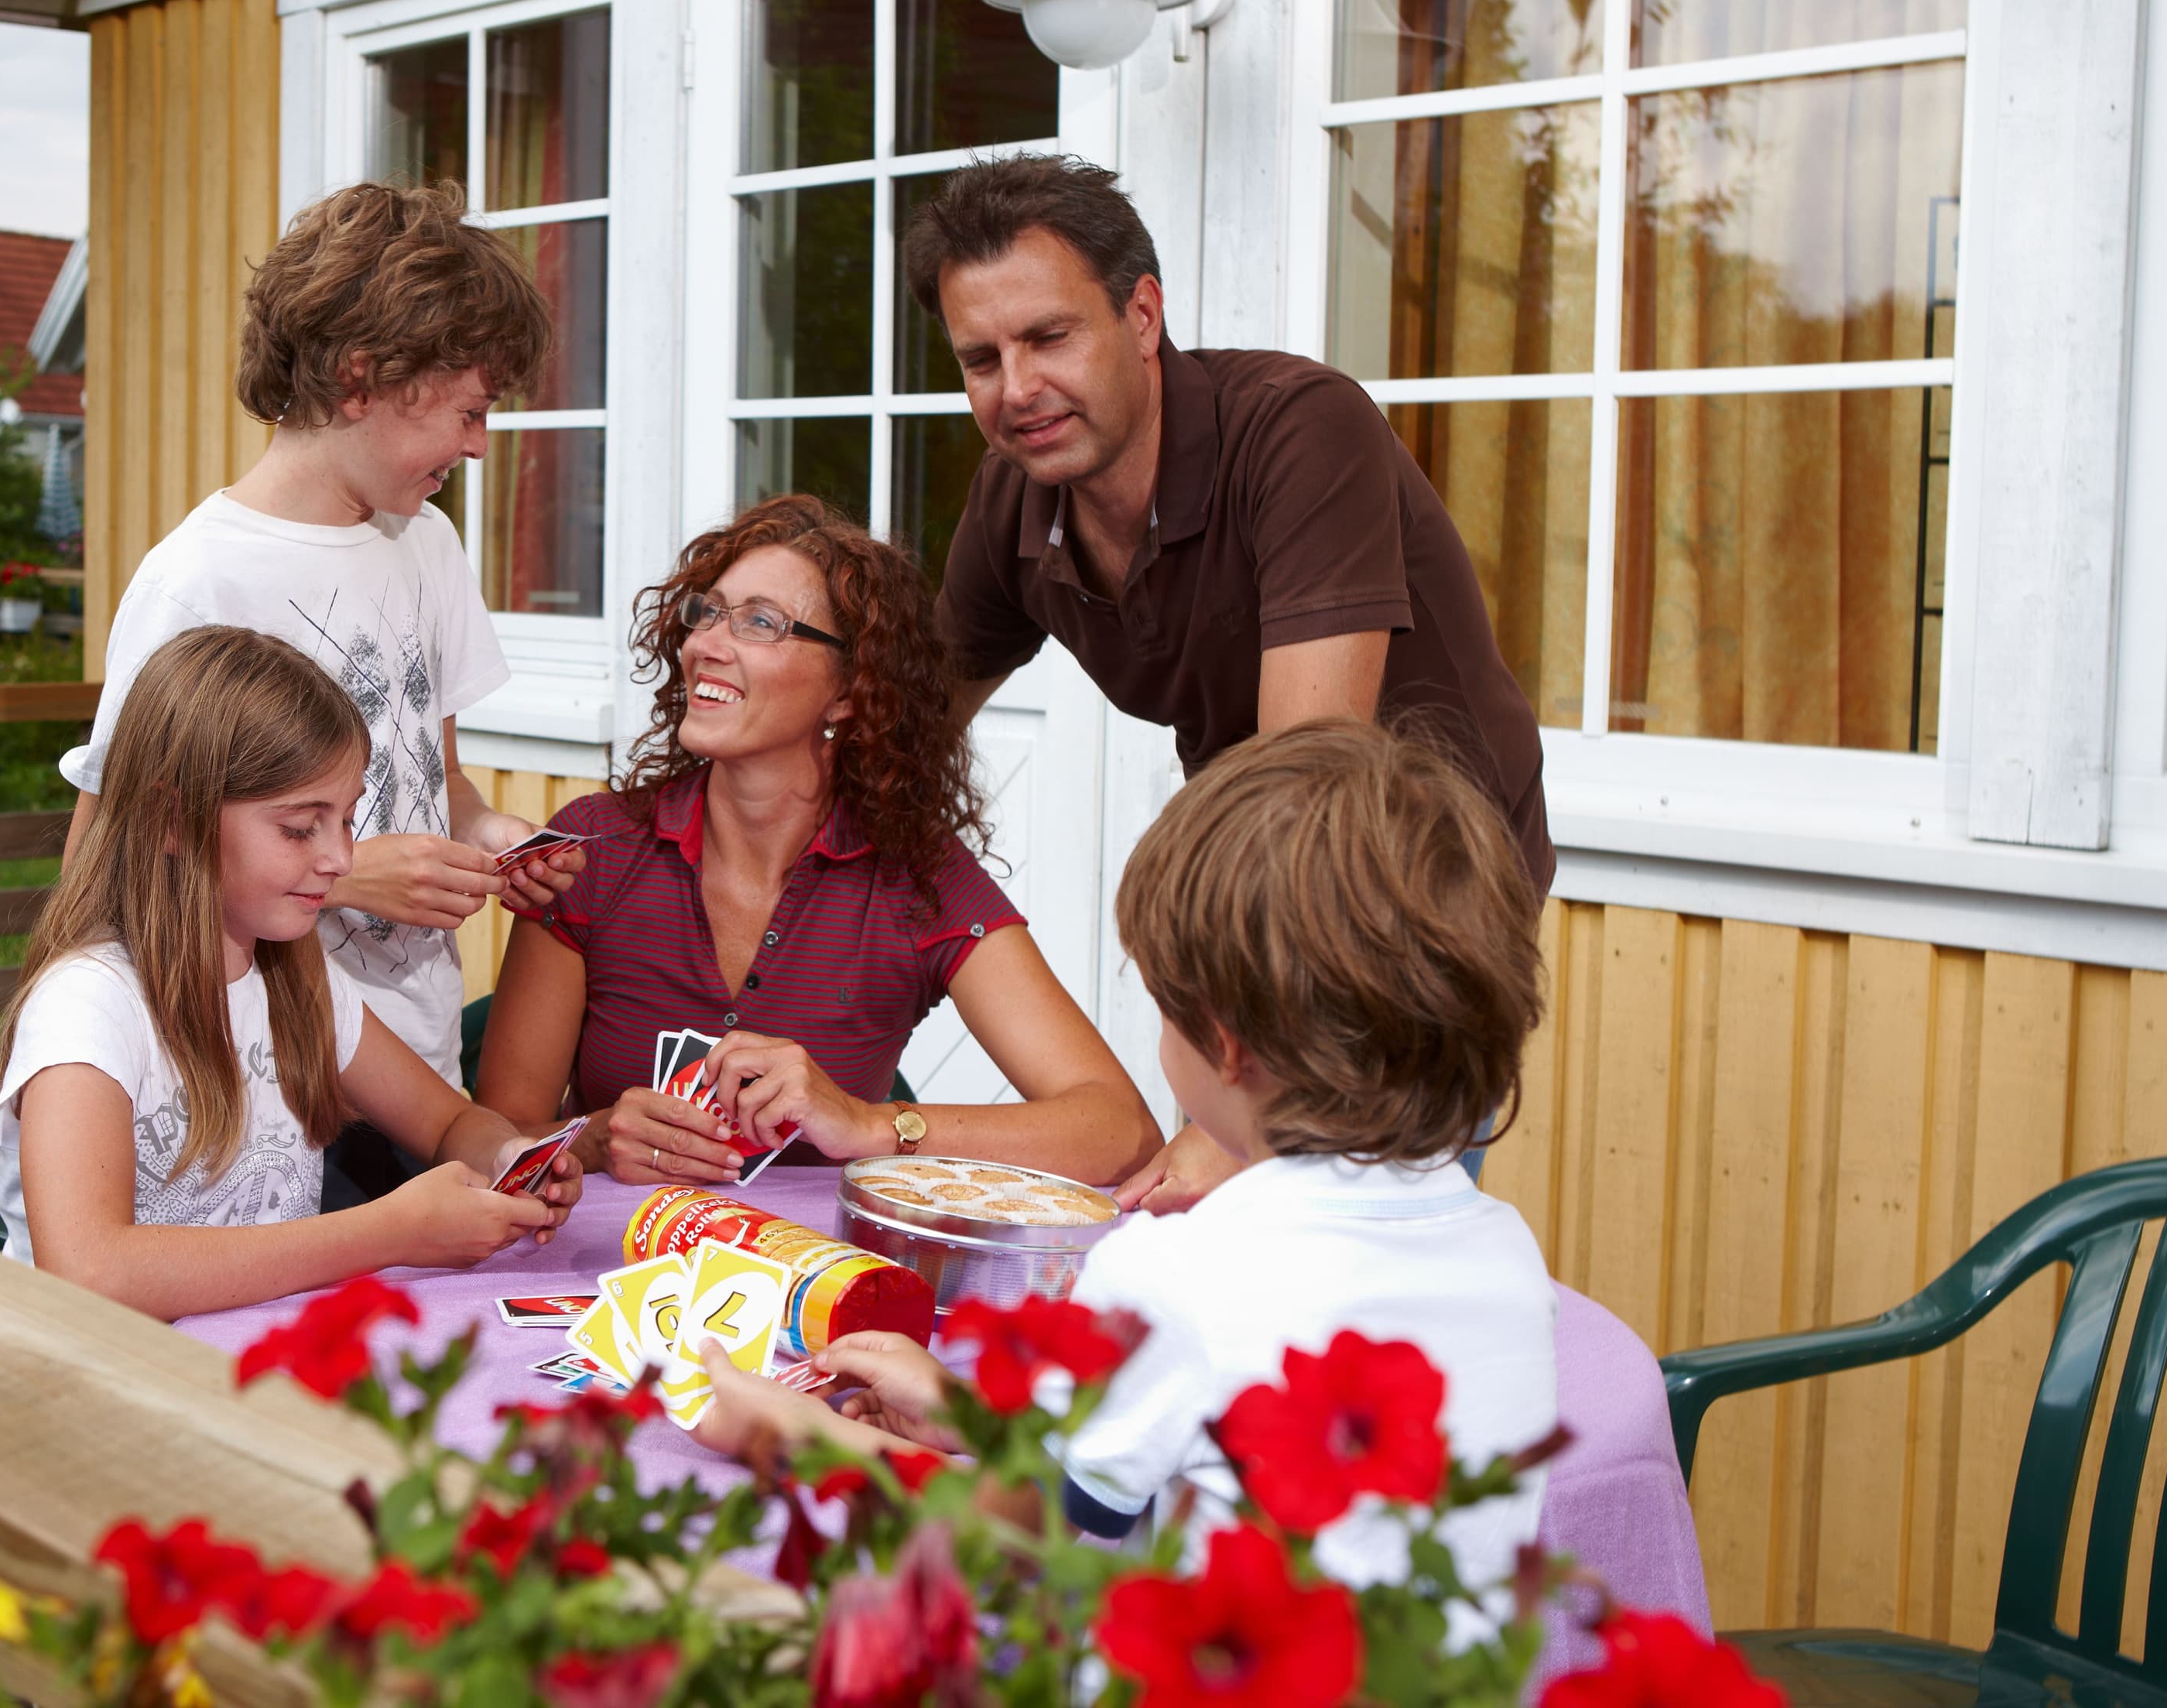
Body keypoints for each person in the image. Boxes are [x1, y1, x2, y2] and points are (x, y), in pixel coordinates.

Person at [693, 720, 1558, 1597]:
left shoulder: (1174, 1271)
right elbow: (1192, 1446)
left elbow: (1022, 1536)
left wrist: (798, 1432)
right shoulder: (1508, 1254)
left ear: (1222, 1045)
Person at [903, 155, 1552, 1209]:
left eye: (1049, 338)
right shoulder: (1016, 499)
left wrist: (1233, 1126)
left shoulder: (1300, 430)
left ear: (1143, 316)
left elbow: (1314, 793)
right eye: (981, 359)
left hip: (1420, 894)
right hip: (1262, 898)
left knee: (1347, 1267)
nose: (1016, 390)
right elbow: (908, 732)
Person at [58, 182, 584, 1107]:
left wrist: (497, 840)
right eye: (468, 411)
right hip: (262, 1080)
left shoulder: (426, 544)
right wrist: (347, 880)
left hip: (418, 1062)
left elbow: (439, 781)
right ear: (361, 380)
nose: (481, 446)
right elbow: (112, 864)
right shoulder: (199, 580)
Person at [471, 495, 1162, 1188]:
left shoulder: (918, 880)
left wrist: (869, 1124)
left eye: (761, 623)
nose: (706, 644)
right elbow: (498, 1134)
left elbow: (1120, 1130)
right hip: (605, 1276)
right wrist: (591, 1141)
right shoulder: (593, 848)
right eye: (707, 612)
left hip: (820, 1281)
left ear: (851, 693)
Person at [0, 627, 578, 1320]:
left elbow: (449, 1121)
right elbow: (90, 1270)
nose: (342, 857)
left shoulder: (296, 977)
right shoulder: (90, 1004)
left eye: (347, 818)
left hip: (253, 1367)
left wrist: (511, 1156)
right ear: (171, 820)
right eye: (301, 828)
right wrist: (390, 1233)